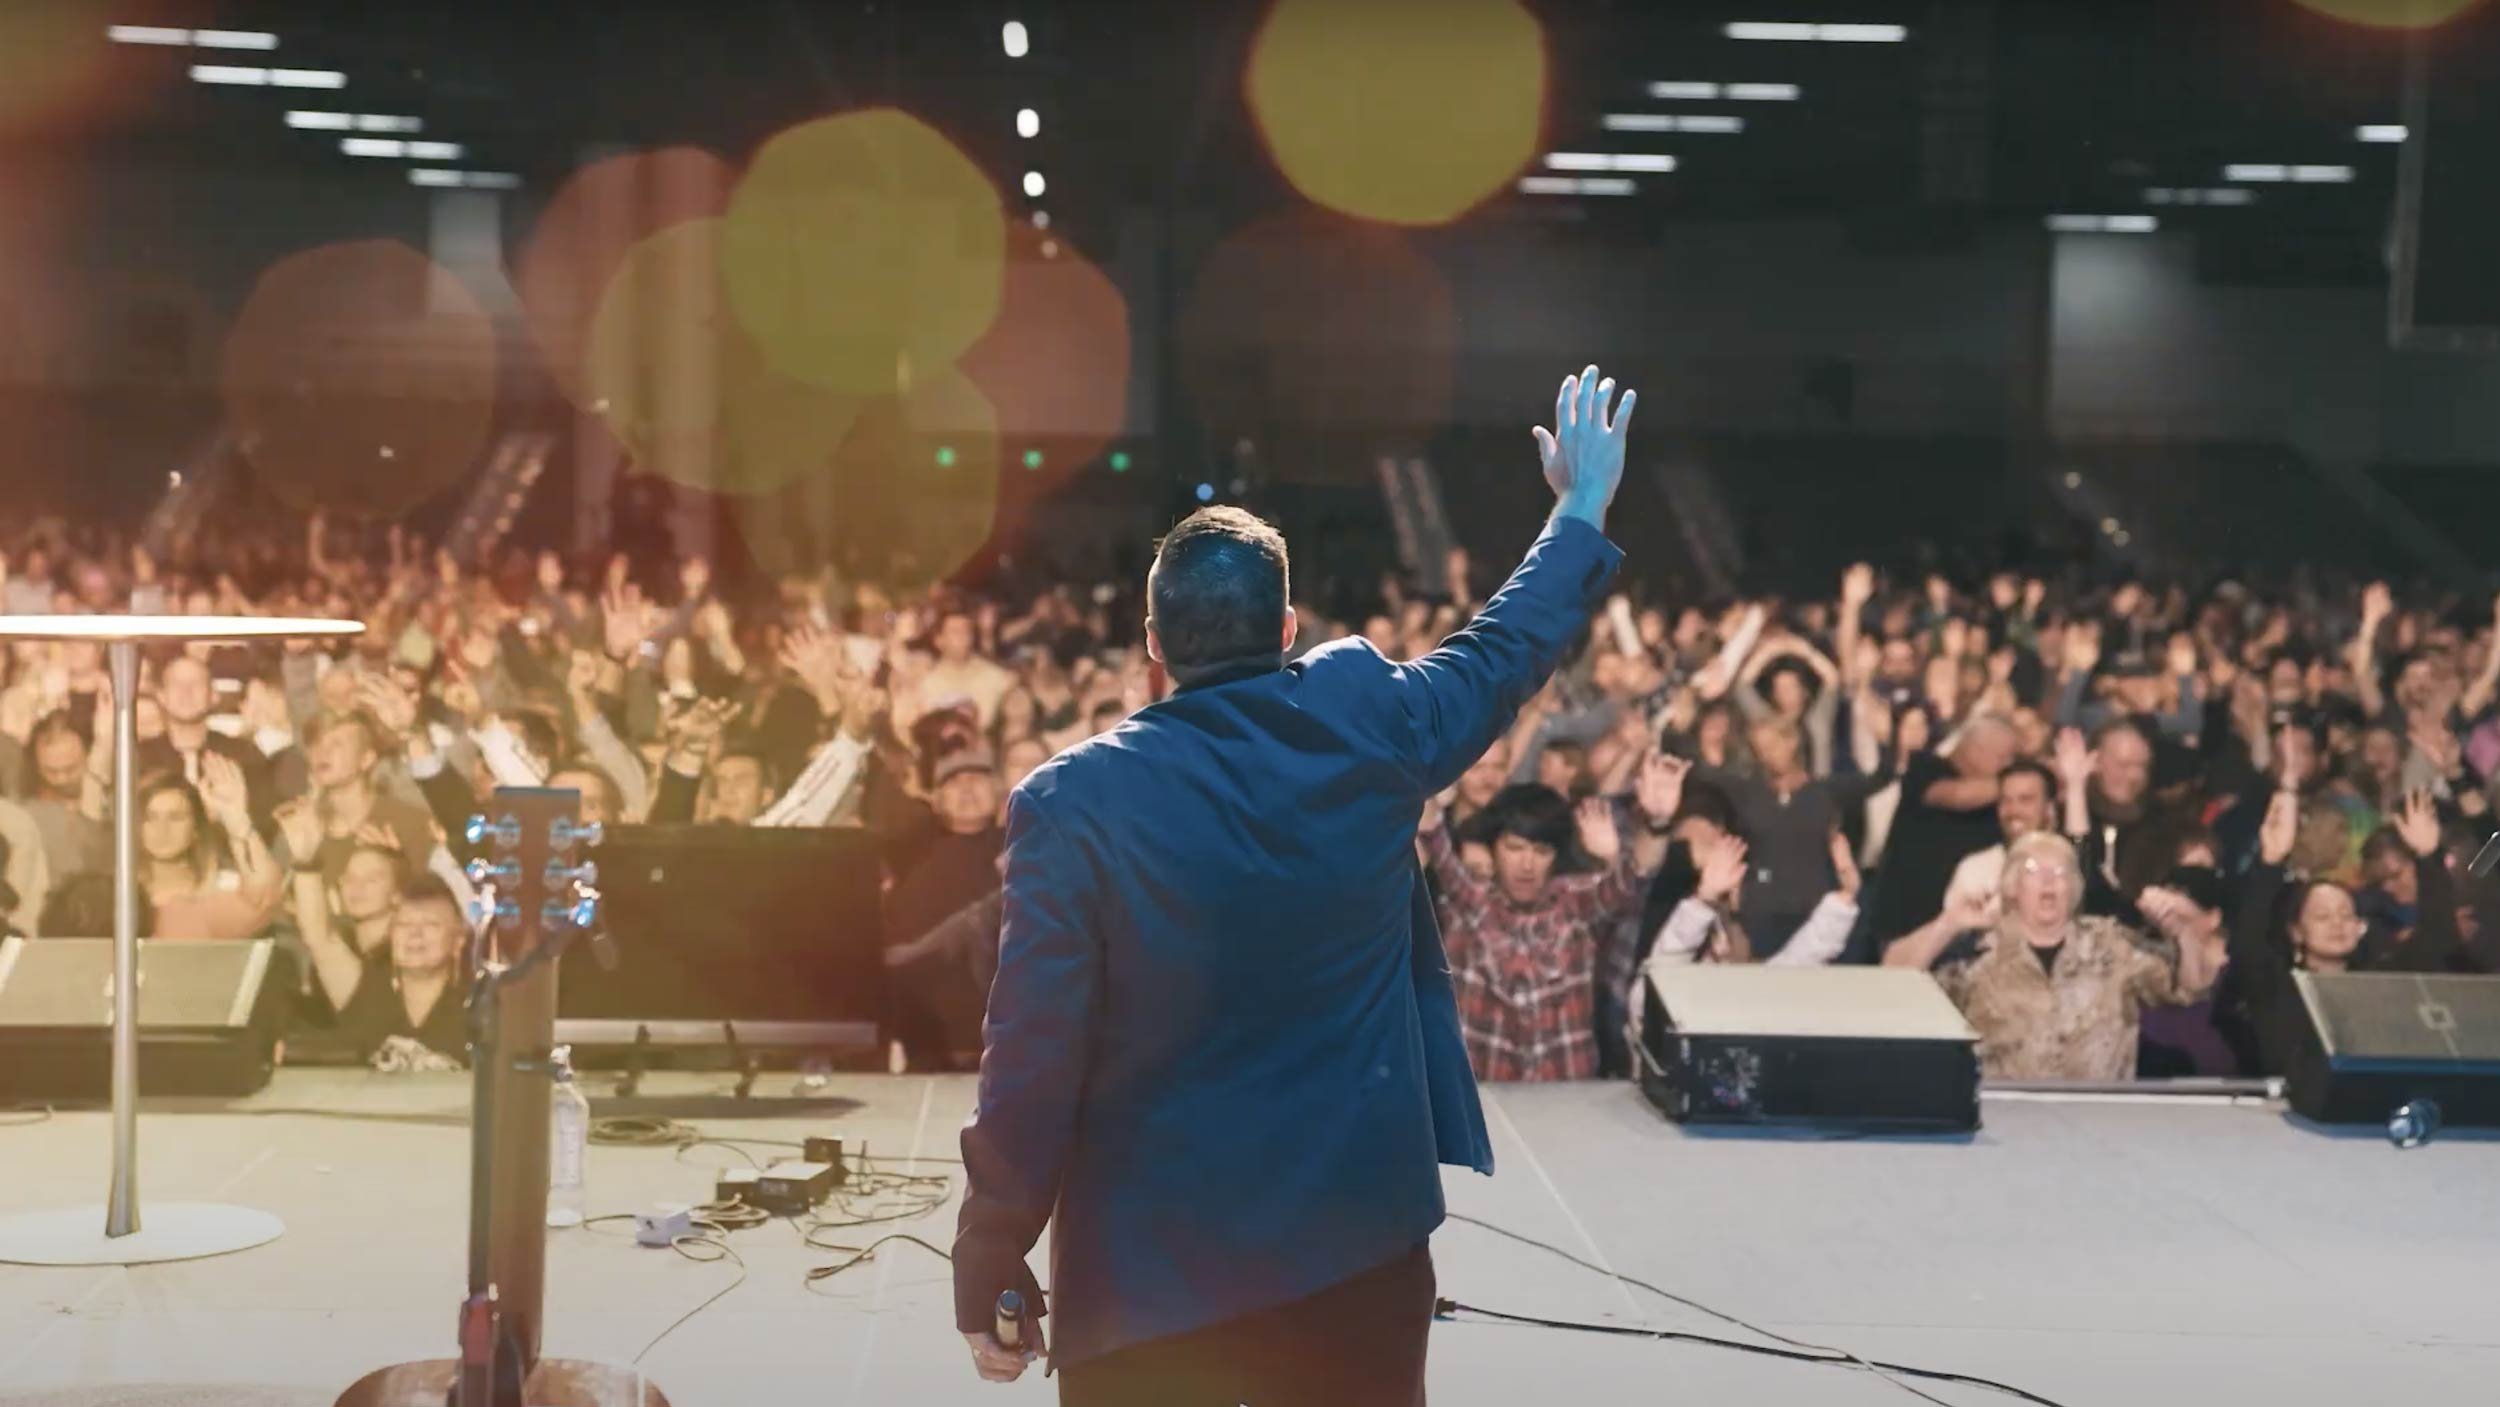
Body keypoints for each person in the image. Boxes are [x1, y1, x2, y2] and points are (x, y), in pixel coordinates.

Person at [955, 365, 1637, 1402]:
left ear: (1152, 649)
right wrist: (1578, 505)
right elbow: (1502, 649)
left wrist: (991, 1249)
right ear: (1286, 632)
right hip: (1352, 1250)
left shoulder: (1070, 801)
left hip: (1150, 1270)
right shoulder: (1369, 715)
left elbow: (1032, 1051)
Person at [1883, 829, 2226, 1080]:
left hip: (2102, 1128)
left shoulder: (2114, 948)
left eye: (2061, 871)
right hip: (2006, 1127)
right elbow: (1892, 980)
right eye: (2033, 871)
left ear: (2073, 888)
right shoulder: (1975, 956)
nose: (2049, 880)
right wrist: (1949, 922)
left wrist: (2182, 933)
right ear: (2013, 886)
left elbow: (2192, 986)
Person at [1419, 761, 1680, 1082]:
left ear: (1556, 855)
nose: (1526, 864)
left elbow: (1634, 875)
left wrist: (1658, 822)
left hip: (1565, 1102)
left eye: (1540, 851)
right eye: (1514, 848)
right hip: (1485, 1096)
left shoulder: (1577, 904)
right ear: (1494, 850)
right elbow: (1431, 830)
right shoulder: (1469, 900)